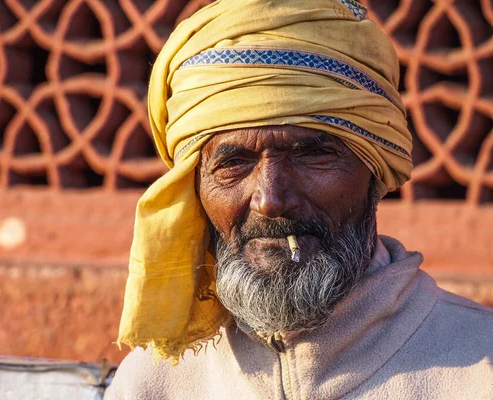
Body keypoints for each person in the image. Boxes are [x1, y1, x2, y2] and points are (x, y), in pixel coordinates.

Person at [105, 0, 493, 398]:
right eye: (234, 163)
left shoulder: (480, 369)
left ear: (374, 169)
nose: (271, 200)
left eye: (312, 155)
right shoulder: (155, 384)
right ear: (195, 186)